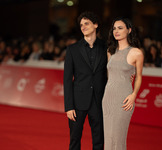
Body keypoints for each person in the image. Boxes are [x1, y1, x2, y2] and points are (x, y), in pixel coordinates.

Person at [64, 11, 107, 150]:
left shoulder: (106, 47)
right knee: (75, 140)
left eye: (86, 23)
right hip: (77, 102)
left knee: (99, 141)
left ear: (95, 25)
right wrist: (69, 106)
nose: (83, 27)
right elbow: (67, 79)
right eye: (81, 25)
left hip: (99, 101)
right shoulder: (72, 49)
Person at [102, 17, 144, 150]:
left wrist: (134, 95)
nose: (116, 31)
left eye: (120, 28)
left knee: (118, 137)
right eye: (114, 28)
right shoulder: (110, 51)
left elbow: (138, 77)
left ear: (129, 30)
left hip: (124, 99)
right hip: (108, 98)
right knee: (108, 137)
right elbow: (110, 75)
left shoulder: (136, 52)